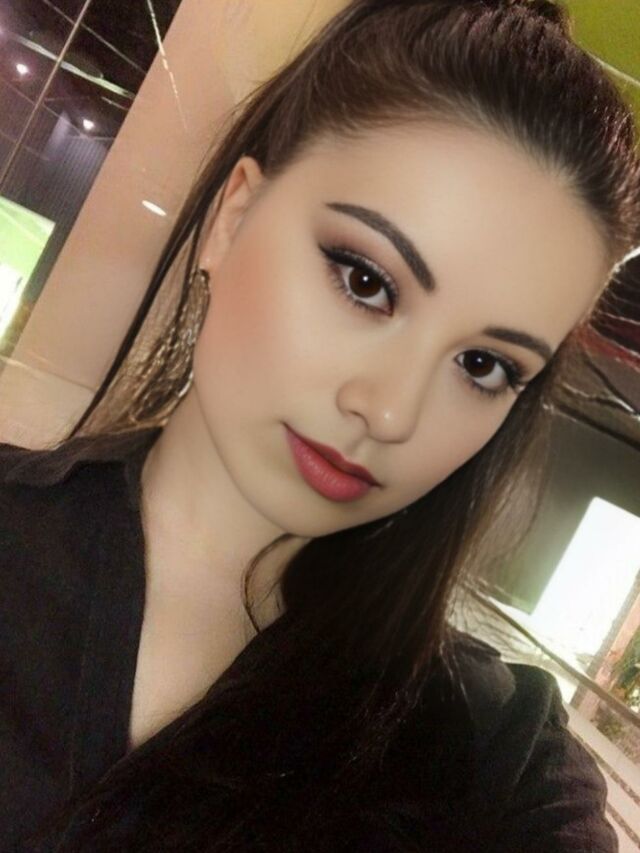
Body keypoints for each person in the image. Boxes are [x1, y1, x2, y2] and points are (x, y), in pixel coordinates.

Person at [1, 0, 639, 849]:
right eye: (366, 281)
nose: (391, 411)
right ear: (233, 217)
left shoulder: (493, 756)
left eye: (484, 365)